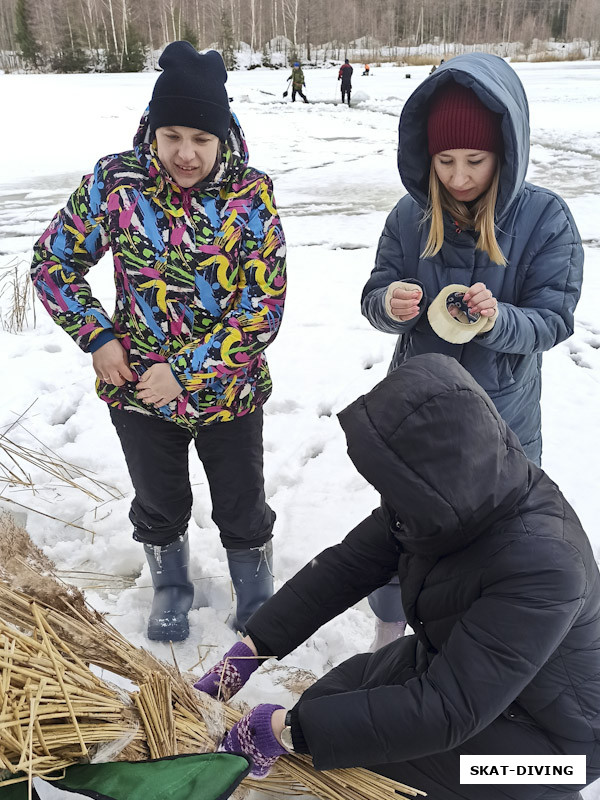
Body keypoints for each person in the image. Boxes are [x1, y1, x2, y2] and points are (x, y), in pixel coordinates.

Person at [194, 353, 600, 799]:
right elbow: (345, 567)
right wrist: (252, 649)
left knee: (359, 756)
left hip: (558, 749)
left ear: (429, 482)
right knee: (323, 711)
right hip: (460, 671)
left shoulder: (544, 565)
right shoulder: (446, 498)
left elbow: (447, 710)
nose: (385, 496)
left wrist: (285, 731)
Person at [30, 42, 287, 643]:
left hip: (230, 389)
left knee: (241, 501)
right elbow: (52, 263)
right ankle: (171, 584)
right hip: (138, 388)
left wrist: (191, 371)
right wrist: (97, 337)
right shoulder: (116, 183)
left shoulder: (250, 195)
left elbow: (263, 306)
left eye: (201, 138)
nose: (185, 153)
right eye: (172, 135)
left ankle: (255, 586)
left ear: (223, 136)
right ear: (153, 128)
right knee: (158, 498)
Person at [361, 52, 583, 649]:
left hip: (501, 420)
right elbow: (373, 294)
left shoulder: (545, 220)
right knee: (402, 524)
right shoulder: (410, 218)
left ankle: (469, 639)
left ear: (505, 152)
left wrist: (496, 320)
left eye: (475, 161)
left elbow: (552, 319)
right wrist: (390, 304)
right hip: (419, 416)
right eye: (446, 160)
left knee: (492, 537)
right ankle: (389, 628)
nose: (459, 176)